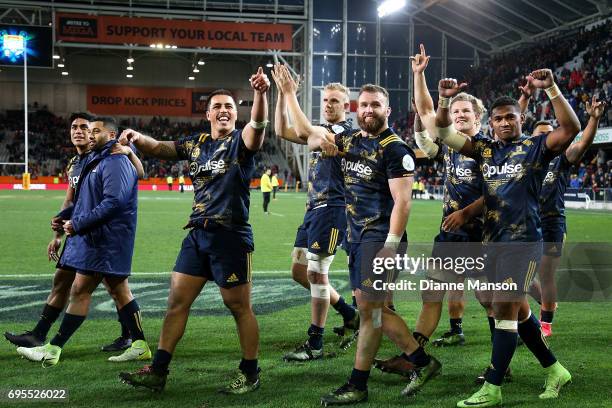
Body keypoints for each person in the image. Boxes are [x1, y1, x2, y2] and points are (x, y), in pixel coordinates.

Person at [416, 43, 579, 406]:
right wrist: (443, 100)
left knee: (504, 309)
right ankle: (554, 369)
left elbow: (571, 127)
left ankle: (493, 387)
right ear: (492, 123)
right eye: (500, 119)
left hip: (523, 243)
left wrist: (551, 89)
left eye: (511, 117)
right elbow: (443, 133)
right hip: (491, 243)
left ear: (520, 119)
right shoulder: (485, 150)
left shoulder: (537, 148)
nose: (506, 123)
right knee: (513, 309)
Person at [280, 70, 440, 404]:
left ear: (388, 110)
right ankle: (420, 362)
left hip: (379, 238)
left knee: (370, 311)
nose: (368, 110)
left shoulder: (396, 150)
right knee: (374, 311)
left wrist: (391, 245)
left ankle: (361, 382)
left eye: (375, 105)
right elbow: (307, 134)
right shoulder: (350, 141)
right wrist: (289, 93)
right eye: (364, 105)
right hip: (356, 238)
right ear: (357, 109)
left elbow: (403, 202)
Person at [118, 67, 269, 394]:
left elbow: (257, 127)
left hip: (230, 236)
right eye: (218, 106)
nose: (224, 110)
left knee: (239, 307)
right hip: (197, 235)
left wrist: (260, 93)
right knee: (176, 303)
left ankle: (251, 371)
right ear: (208, 113)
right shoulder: (195, 143)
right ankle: (158, 371)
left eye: (229, 105)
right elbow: (158, 148)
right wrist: (136, 137)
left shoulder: (240, 143)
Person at [4, 112, 145, 355]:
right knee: (67, 281)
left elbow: (131, 181)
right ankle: (40, 335)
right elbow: (73, 200)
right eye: (76, 128)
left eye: (88, 128)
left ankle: (128, 338)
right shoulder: (76, 163)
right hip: (81, 227)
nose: (82, 133)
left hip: (96, 230)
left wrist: (130, 152)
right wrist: (59, 231)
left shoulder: (108, 156)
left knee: (108, 287)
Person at [272, 68, 358, 361]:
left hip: (333, 210)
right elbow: (282, 131)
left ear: (346, 107)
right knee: (299, 272)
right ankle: (349, 314)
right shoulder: (320, 129)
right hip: (312, 211)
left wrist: (289, 92)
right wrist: (279, 96)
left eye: (335, 101)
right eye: (325, 100)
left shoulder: (345, 133)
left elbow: (309, 133)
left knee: (316, 272)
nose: (328, 105)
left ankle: (315, 343)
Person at [532, 96, 606, 337]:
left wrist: (593, 119)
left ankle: (545, 324)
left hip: (552, 223)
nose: (545, 138)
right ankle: (546, 303)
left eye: (549, 133)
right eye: (540, 134)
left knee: (546, 274)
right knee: (519, 275)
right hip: (526, 222)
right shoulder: (523, 161)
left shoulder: (561, 160)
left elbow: (583, 142)